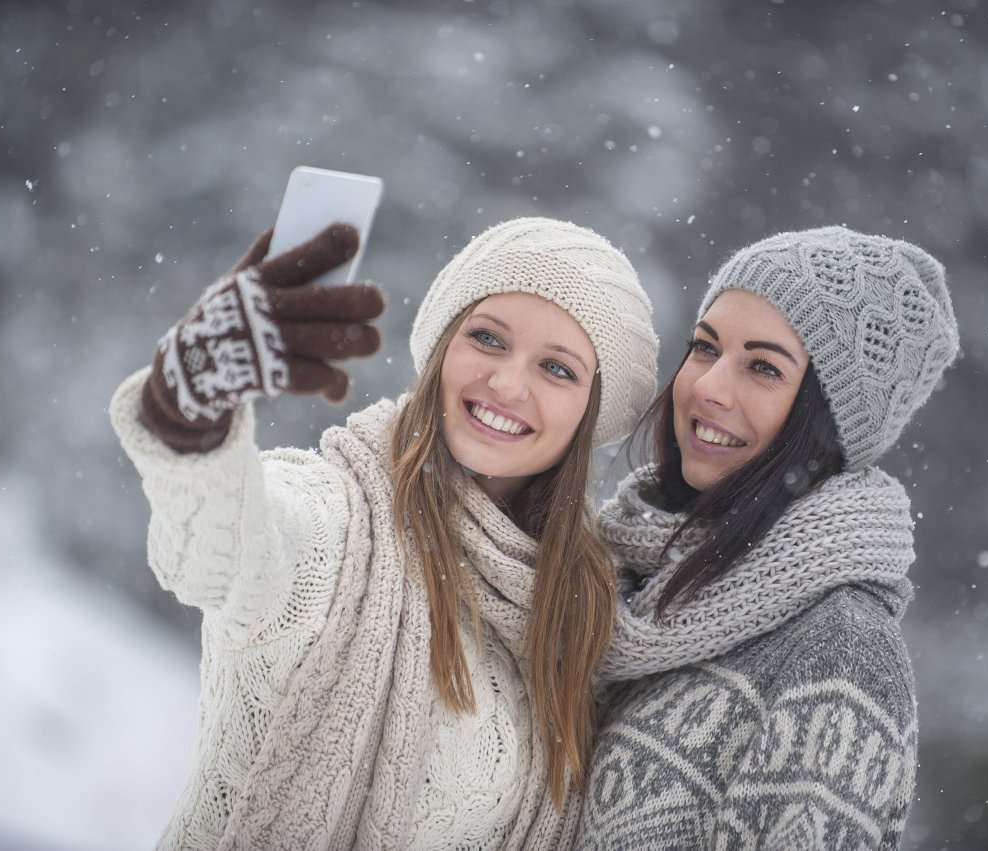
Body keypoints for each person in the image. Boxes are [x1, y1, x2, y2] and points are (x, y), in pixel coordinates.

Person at [109, 217, 658, 850]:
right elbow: (218, 552)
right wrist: (189, 410)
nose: (507, 384)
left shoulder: (585, 608)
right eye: (486, 337)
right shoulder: (340, 521)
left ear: (592, 412)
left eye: (557, 370)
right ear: (443, 347)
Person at [576, 226, 961, 850]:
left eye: (762, 367)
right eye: (705, 348)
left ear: (827, 421)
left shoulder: (842, 659)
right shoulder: (618, 573)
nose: (707, 387)